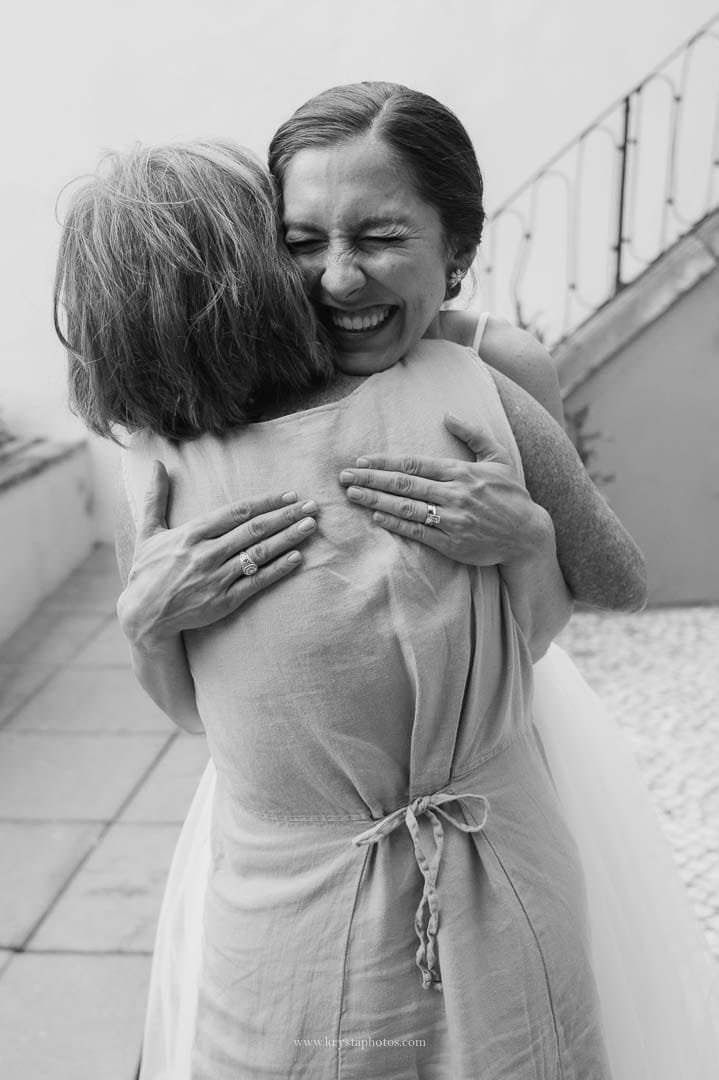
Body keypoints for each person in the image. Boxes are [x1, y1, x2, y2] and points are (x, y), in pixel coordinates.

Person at [56, 137, 621, 1080]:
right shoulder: (161, 461)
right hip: (305, 824)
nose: (334, 278)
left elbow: (557, 607)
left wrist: (528, 537)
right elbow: (195, 709)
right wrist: (144, 621)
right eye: (302, 243)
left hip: (478, 752)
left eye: (379, 236)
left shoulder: (476, 368)